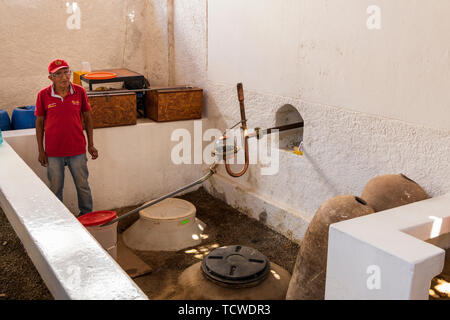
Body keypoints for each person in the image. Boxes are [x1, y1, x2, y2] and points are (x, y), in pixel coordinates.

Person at [35, 59, 98, 216]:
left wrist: (91, 144)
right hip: (53, 152)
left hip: (77, 149)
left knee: (82, 185)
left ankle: (86, 215)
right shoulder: (43, 95)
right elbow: (39, 124)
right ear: (51, 78)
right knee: (56, 187)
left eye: (66, 72)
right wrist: (41, 150)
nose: (64, 77)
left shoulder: (79, 92)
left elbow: (88, 119)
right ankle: (59, 218)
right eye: (59, 74)